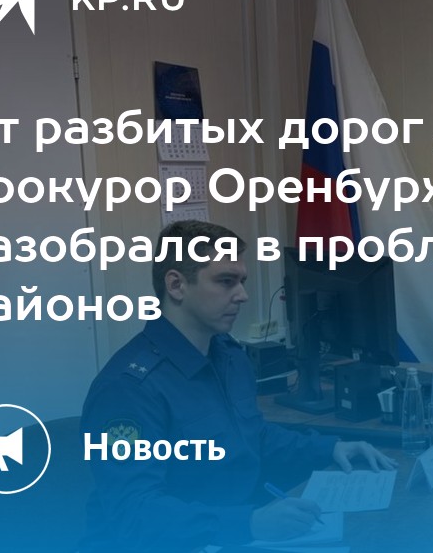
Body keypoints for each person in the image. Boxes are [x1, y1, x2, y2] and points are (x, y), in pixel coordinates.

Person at [80, 221, 395, 553]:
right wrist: (248, 524)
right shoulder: (128, 390)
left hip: (224, 537)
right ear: (176, 285)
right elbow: (134, 514)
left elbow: (252, 437)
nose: (242, 295)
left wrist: (328, 449)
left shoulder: (228, 355)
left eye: (241, 281)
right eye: (225, 281)